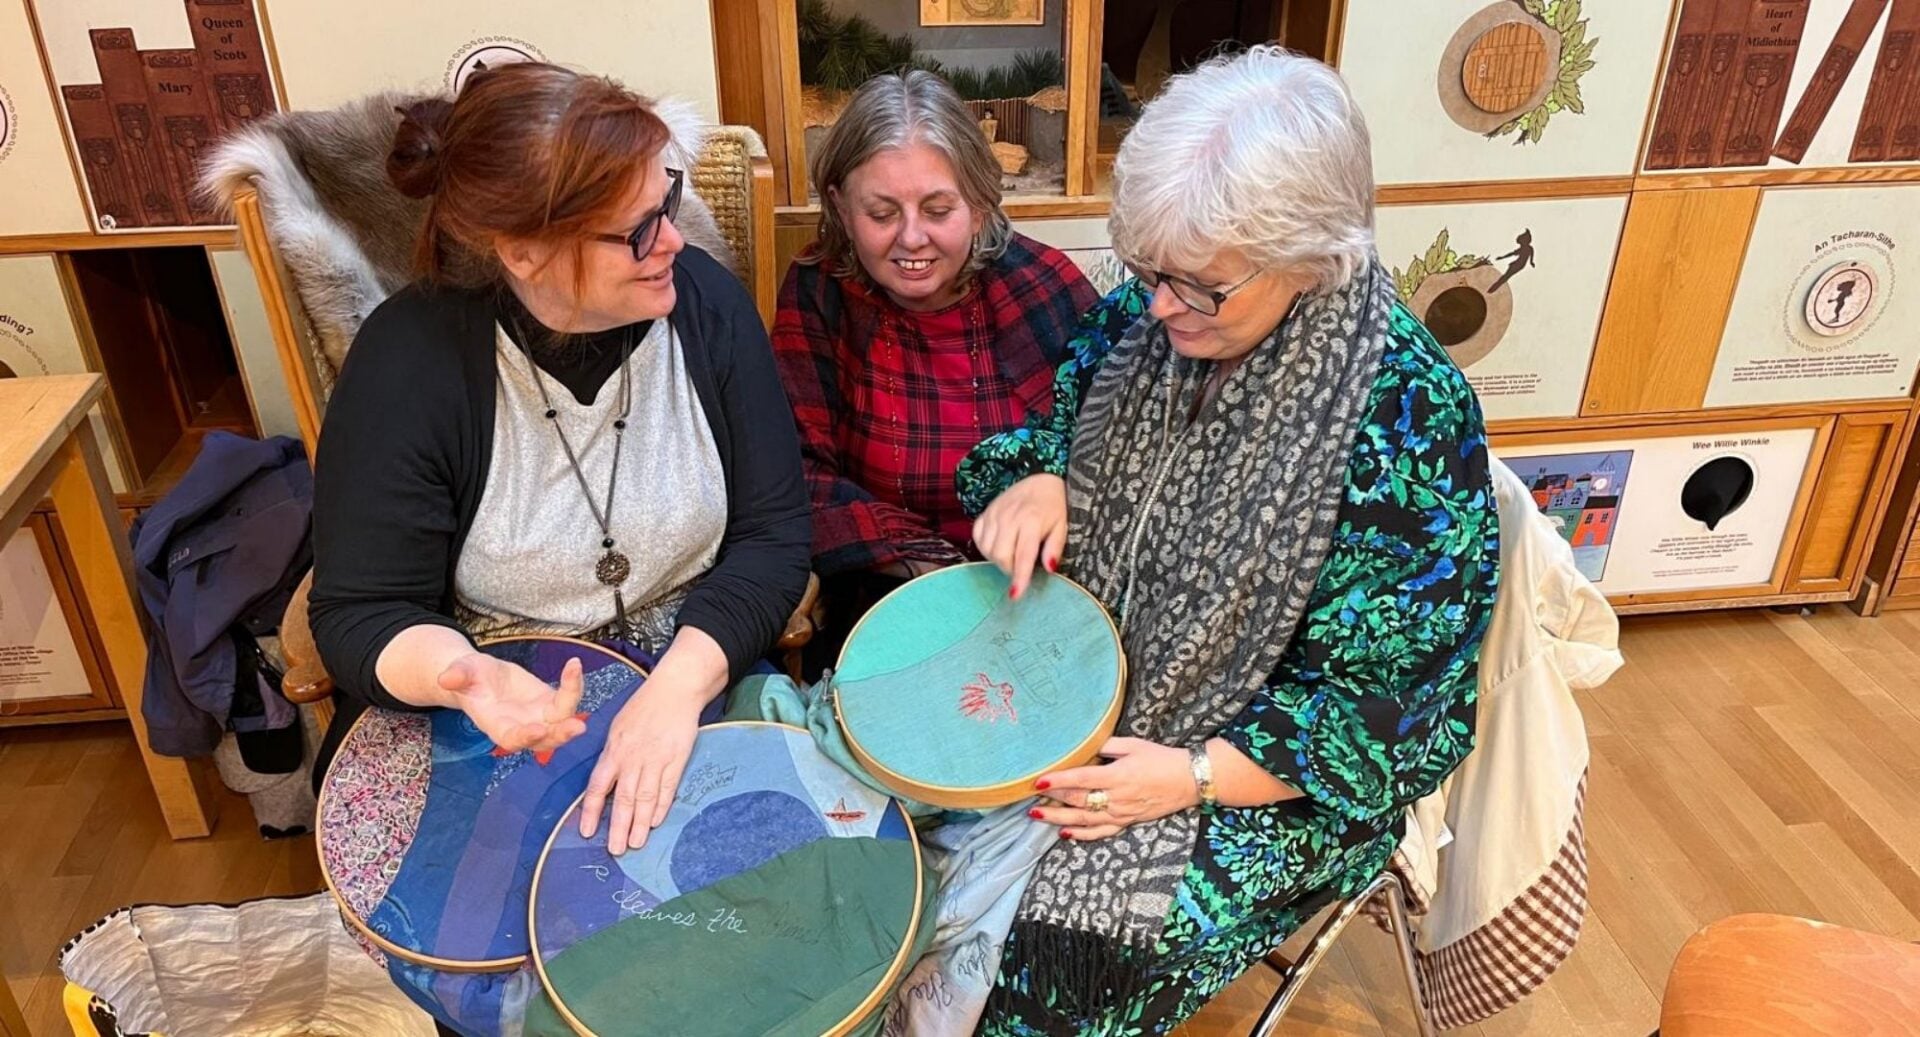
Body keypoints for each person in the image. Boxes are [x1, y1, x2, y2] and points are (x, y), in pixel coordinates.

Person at [954, 47, 1501, 1034]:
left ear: (1309, 251)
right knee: (908, 820)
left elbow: (1391, 712)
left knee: (1065, 928)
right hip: (1087, 674)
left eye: (1200, 286)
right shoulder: (1146, 314)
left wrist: (1191, 773)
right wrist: (1037, 479)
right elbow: (1051, 435)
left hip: (1273, 772)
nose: (1160, 305)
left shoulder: (1408, 417)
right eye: (1147, 272)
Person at [308, 62, 810, 858]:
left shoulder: (704, 306)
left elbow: (774, 533)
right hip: (503, 704)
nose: (672, 240)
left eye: (666, 201)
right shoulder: (410, 362)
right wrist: (460, 674)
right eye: (637, 229)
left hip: (698, 656)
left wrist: (675, 691)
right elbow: (359, 612)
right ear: (523, 251)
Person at [772, 70, 1097, 665]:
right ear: (842, 209)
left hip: (1039, 596)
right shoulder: (819, 290)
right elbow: (792, 476)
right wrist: (934, 565)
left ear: (978, 207)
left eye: (938, 209)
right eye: (882, 213)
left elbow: (1114, 457)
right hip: (881, 597)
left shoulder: (1047, 288)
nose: (912, 238)